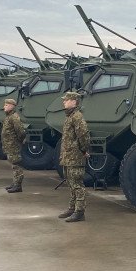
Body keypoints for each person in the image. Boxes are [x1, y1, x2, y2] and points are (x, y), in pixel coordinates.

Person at [57, 90, 90, 222]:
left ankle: (79, 212)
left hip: (75, 157)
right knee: (71, 183)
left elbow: (84, 136)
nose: (64, 102)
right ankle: (72, 208)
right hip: (68, 157)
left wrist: (83, 150)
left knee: (77, 184)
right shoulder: (69, 117)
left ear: (74, 102)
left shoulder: (77, 117)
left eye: (66, 100)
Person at [0, 98, 26, 193]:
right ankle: (15, 183)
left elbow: (21, 132)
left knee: (16, 165)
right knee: (13, 165)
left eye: (6, 105)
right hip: (10, 145)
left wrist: (18, 142)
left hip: (13, 145)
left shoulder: (14, 117)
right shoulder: (9, 117)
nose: (4, 107)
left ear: (12, 106)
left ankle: (18, 185)